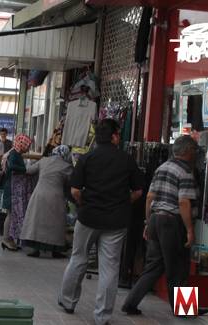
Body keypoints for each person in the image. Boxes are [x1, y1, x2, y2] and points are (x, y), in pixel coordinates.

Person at [58, 119, 143, 325]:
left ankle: (68, 301)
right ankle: (102, 316)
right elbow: (138, 191)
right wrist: (123, 203)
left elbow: (75, 190)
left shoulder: (87, 158)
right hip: (116, 221)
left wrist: (83, 203)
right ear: (115, 136)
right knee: (110, 268)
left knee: (78, 259)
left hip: (88, 217)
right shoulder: (127, 160)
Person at [122, 135, 199, 315]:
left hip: (156, 219)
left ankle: (130, 303)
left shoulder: (161, 167)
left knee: (153, 267)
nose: (196, 154)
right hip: (173, 222)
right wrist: (189, 230)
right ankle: (185, 310)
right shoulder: (186, 171)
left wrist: (148, 223)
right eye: (194, 150)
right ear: (188, 151)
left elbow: (150, 197)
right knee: (179, 267)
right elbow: (184, 203)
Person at [20, 145, 73, 258]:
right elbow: (71, 183)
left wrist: (27, 161)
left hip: (39, 194)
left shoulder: (44, 161)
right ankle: (55, 250)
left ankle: (36, 249)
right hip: (56, 197)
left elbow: (29, 171)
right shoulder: (67, 166)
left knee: (37, 222)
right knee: (56, 224)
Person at [0, 134, 32, 251]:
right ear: (22, 144)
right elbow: (12, 166)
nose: (28, 148)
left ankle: (9, 238)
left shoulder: (14, 153)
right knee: (11, 214)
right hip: (12, 188)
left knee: (12, 214)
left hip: (12, 187)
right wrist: (25, 170)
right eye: (27, 145)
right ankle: (6, 239)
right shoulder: (14, 154)